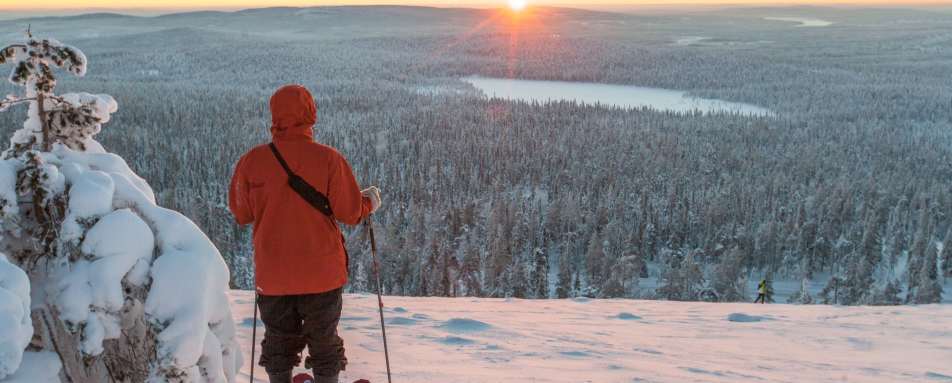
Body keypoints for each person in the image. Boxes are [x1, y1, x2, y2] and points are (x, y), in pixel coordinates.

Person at [229, 84, 382, 383]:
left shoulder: (252, 162)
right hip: (321, 272)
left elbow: (241, 213)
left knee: (278, 341)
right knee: (324, 341)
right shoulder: (328, 159)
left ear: (274, 115)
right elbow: (350, 212)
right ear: (311, 114)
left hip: (274, 273)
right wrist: (369, 203)